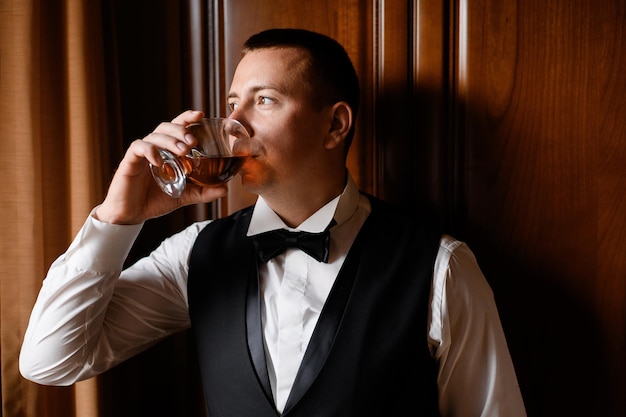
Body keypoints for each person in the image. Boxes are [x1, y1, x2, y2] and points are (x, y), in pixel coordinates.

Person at [20, 28, 526, 416]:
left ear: (334, 125)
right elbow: (49, 360)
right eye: (232, 105)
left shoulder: (441, 267)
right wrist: (117, 218)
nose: (236, 126)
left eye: (264, 101)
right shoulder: (196, 253)